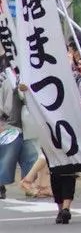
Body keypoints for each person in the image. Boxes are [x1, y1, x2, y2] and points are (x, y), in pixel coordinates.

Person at [0, 70, 38, 198]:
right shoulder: (5, 78)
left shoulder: (30, 76)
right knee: (6, 157)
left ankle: (29, 183)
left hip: (28, 125)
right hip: (10, 124)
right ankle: (1, 185)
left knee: (30, 157)